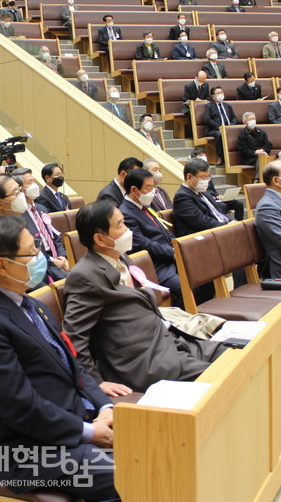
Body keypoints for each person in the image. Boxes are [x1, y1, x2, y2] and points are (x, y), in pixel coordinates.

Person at [0, 217, 119, 502]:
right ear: (2, 265)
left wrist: (104, 405)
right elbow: (18, 405)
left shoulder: (30, 303)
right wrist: (89, 432)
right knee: (132, 476)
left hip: (71, 421)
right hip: (25, 452)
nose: (39, 257)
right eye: (31, 252)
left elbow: (72, 366)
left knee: (164, 444)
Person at [64, 199, 225, 394]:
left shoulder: (120, 256)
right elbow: (74, 336)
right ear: (100, 239)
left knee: (233, 353)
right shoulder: (85, 276)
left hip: (168, 340)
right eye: (120, 225)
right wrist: (95, 382)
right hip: (143, 362)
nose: (127, 229)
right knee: (222, 376)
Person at [120, 168, 181, 304]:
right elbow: (142, 244)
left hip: (168, 257)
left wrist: (177, 244)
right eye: (148, 187)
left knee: (203, 276)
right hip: (155, 264)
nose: (152, 191)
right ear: (135, 190)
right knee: (183, 286)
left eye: (153, 186)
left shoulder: (145, 206)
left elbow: (164, 231)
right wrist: (172, 252)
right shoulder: (125, 213)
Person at [17, 170, 69, 282]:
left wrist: (63, 256)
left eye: (34, 181)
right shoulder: (18, 216)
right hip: (42, 263)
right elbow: (30, 248)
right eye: (29, 182)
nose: (34, 185)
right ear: (20, 189)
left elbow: (54, 235)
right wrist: (52, 260)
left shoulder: (41, 209)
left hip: (57, 258)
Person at [173, 156, 235, 239]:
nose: (206, 181)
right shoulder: (182, 197)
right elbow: (203, 222)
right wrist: (227, 227)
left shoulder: (203, 192)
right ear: (189, 177)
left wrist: (232, 221)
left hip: (217, 231)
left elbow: (218, 212)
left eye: (208, 177)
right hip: (201, 238)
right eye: (203, 178)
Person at [236, 112, 272, 180]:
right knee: (261, 160)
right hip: (250, 159)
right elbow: (243, 150)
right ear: (245, 122)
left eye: (254, 119)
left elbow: (268, 145)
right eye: (250, 119)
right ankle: (258, 179)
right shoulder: (242, 135)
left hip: (263, 155)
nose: (253, 121)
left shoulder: (261, 132)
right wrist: (255, 152)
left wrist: (262, 150)